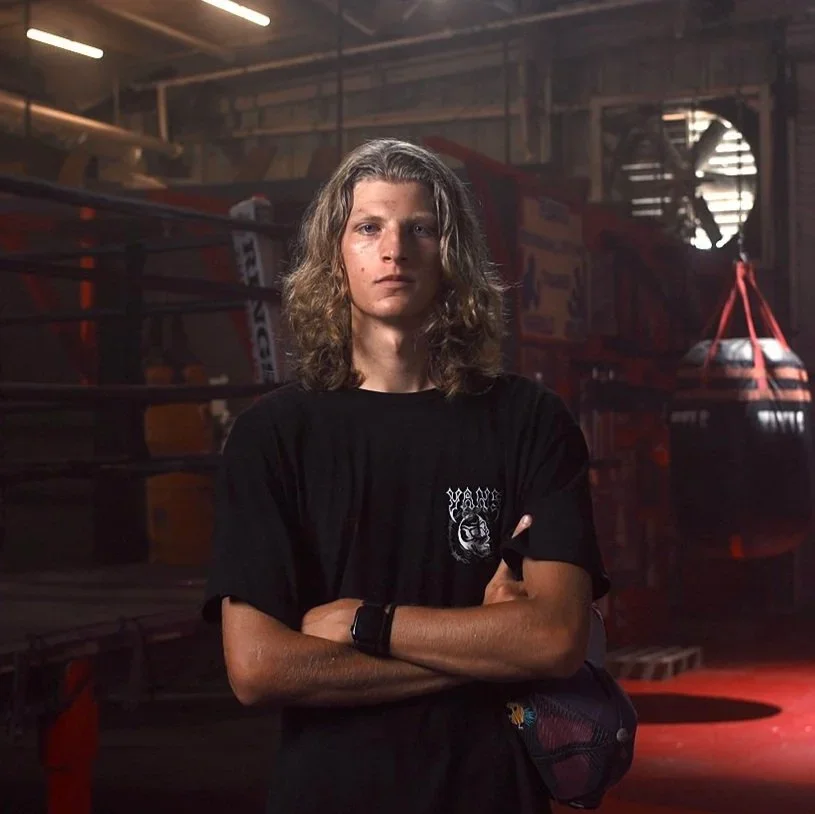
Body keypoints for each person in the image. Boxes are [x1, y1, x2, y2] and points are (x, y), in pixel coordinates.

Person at [203, 138, 609, 814]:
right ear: (337, 253)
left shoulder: (529, 421)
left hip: (489, 795)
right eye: (369, 227)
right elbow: (257, 668)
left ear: (451, 254)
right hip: (328, 797)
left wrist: (364, 622)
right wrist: (480, 647)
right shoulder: (272, 436)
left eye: (419, 228)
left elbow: (554, 640)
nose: (394, 249)